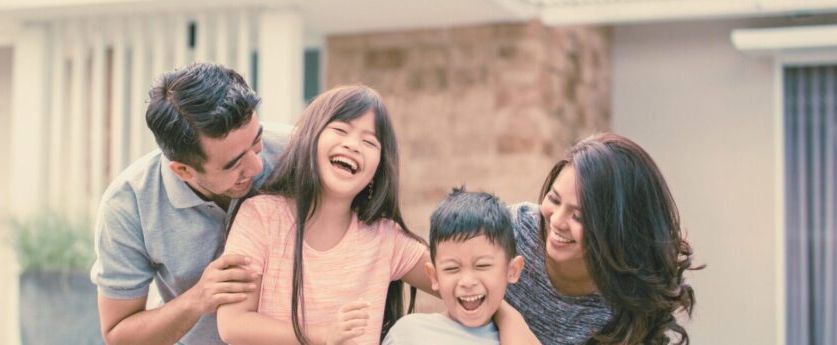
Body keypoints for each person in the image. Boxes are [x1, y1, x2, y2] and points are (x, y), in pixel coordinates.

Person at [217, 85, 435, 345]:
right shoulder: (260, 217)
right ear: (310, 137)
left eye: (369, 142)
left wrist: (499, 314)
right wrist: (321, 335)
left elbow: (462, 280)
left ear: (378, 168)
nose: (353, 145)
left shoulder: (386, 238)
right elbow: (233, 324)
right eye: (340, 130)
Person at [90, 62, 289, 345]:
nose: (257, 166)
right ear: (183, 171)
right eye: (234, 165)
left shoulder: (297, 151)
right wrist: (197, 299)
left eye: (256, 143)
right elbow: (119, 334)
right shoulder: (127, 206)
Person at [504, 133, 701, 345]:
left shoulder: (629, 305)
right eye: (554, 199)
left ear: (619, 228)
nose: (558, 221)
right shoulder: (507, 232)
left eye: (578, 216)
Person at [382, 188, 526, 345]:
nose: (467, 281)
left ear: (512, 270)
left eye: (482, 265)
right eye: (452, 268)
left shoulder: (519, 338)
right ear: (434, 276)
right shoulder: (408, 334)